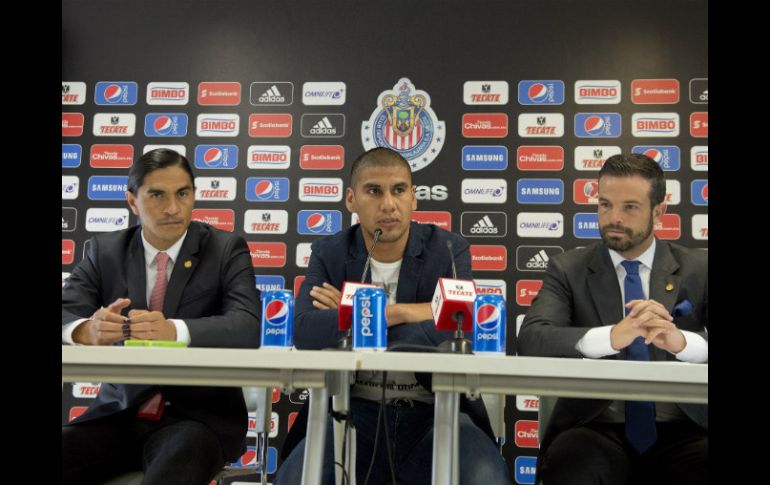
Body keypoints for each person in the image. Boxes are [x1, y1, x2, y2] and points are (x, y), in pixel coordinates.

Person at [275, 147, 511, 484]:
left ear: (414, 198)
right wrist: (417, 315)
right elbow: (306, 332)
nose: (388, 204)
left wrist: (365, 313)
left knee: (485, 476)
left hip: (435, 412)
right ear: (351, 200)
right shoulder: (330, 252)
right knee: (298, 477)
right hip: (352, 411)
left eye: (399, 190)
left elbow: (463, 328)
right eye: (374, 191)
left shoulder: (447, 249)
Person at [61, 148, 262, 485]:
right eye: (157, 195)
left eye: (182, 194)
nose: (172, 208)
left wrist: (174, 330)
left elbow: (247, 325)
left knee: (173, 471)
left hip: (196, 419)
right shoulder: (105, 250)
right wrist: (85, 330)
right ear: (132, 201)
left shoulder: (226, 248)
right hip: (118, 414)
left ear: (194, 196)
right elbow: (66, 311)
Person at [517, 153, 708, 485]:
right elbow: (533, 338)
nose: (613, 217)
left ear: (659, 211)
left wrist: (684, 344)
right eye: (605, 205)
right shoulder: (568, 269)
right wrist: (610, 338)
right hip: (595, 427)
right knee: (574, 466)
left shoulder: (699, 269)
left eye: (629, 207)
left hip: (688, 429)